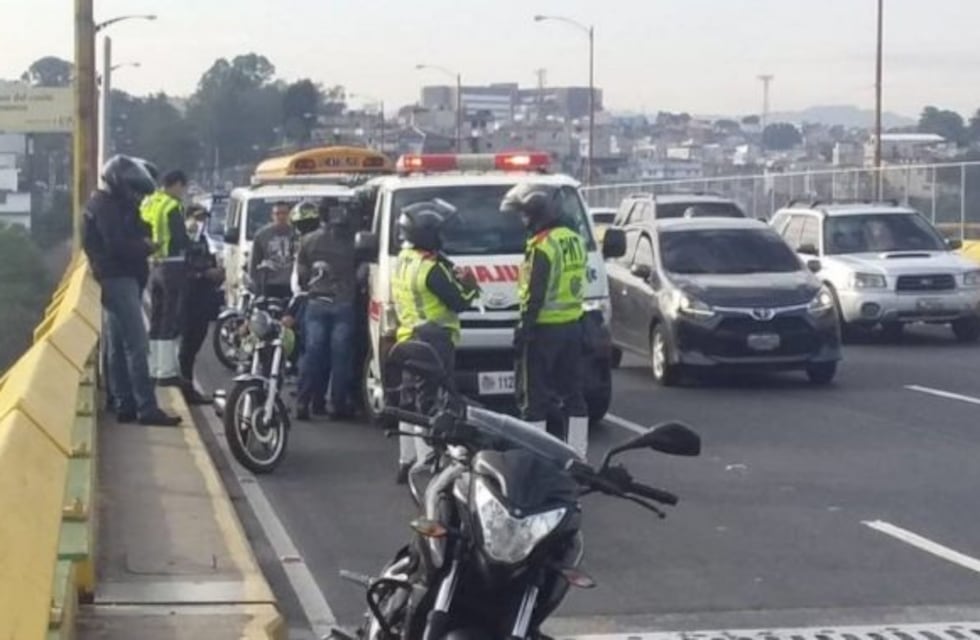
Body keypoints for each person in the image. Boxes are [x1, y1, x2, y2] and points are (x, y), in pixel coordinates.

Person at [82, 155, 181, 427]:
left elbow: (139, 227)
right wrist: (146, 247)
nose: (137, 197)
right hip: (118, 278)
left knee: (117, 342)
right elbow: (118, 244)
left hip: (118, 278)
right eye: (134, 191)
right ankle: (146, 407)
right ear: (120, 184)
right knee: (137, 344)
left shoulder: (110, 204)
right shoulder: (106, 208)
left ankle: (123, 402)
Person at [391, 199, 480, 484]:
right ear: (427, 235)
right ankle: (427, 462)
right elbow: (460, 302)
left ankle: (406, 460)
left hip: (407, 335)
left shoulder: (404, 260)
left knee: (408, 401)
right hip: (434, 338)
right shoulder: (431, 269)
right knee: (432, 402)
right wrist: (471, 284)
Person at [500, 183, 589, 459]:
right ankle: (578, 455)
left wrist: (523, 329)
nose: (524, 221)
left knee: (533, 399)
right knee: (573, 395)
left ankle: (533, 457)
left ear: (539, 216)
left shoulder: (543, 246)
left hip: (543, 329)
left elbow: (533, 293)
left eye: (526, 216)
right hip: (573, 326)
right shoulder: (573, 239)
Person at [293, 199, 359, 421]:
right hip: (343, 302)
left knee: (312, 354)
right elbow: (362, 273)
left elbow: (301, 276)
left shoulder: (308, 241)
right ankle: (336, 404)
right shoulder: (352, 241)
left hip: (316, 301)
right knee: (340, 356)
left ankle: (305, 401)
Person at [141, 169, 191, 386]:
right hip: (172, 265)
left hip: (154, 265)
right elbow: (180, 238)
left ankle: (154, 368)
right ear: (177, 184)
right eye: (183, 188)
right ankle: (167, 371)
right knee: (171, 318)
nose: (183, 193)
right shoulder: (172, 205)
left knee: (157, 317)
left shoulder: (149, 202)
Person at [179, 205, 224, 405]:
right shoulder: (182, 241)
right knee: (186, 346)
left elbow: (210, 264)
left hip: (204, 299)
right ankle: (186, 387)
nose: (200, 223)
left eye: (203, 219)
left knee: (197, 340)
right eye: (196, 218)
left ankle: (187, 385)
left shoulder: (203, 241)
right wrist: (204, 274)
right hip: (188, 298)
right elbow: (182, 269)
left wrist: (216, 274)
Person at [249, 201, 296, 300]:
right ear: (272, 216)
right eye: (278, 213)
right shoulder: (262, 235)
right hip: (270, 285)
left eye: (284, 213)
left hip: (292, 284)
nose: (281, 217)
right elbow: (254, 264)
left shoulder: (297, 234)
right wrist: (257, 287)